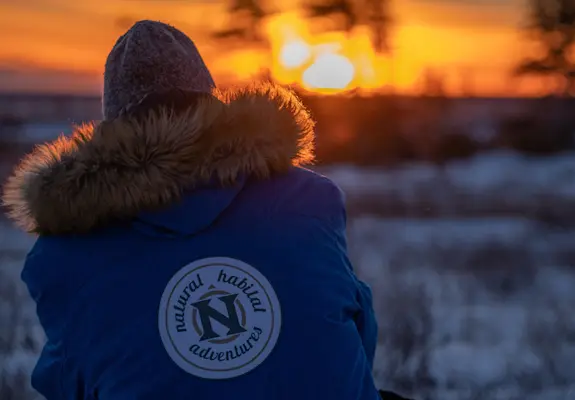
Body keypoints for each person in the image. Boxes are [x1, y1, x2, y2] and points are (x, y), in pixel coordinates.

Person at [3, 20, 389, 399]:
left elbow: (66, 380)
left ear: (112, 127)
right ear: (212, 101)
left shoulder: (66, 254)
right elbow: (357, 332)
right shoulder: (308, 200)